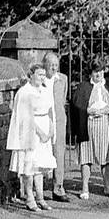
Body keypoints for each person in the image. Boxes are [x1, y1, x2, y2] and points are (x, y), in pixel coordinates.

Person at [6, 63, 58, 211]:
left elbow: (49, 111)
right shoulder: (24, 92)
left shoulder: (44, 90)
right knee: (29, 165)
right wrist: (40, 132)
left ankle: (40, 197)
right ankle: (30, 197)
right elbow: (25, 117)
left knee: (39, 166)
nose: (42, 77)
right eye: (39, 74)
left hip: (44, 128)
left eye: (43, 74)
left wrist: (50, 129)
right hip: (30, 132)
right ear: (31, 75)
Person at [71, 63, 109, 200]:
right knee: (86, 155)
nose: (98, 74)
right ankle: (85, 187)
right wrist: (86, 110)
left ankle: (107, 186)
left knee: (106, 156)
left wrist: (108, 110)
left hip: (105, 124)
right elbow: (76, 105)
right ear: (91, 73)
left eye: (101, 71)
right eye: (95, 72)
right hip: (88, 125)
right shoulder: (83, 87)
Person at [42, 53, 71, 202]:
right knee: (41, 152)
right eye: (51, 64)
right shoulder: (40, 79)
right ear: (44, 64)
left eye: (56, 64)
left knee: (59, 153)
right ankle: (38, 190)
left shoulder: (63, 79)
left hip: (59, 120)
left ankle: (58, 188)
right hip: (43, 121)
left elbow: (62, 100)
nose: (54, 67)